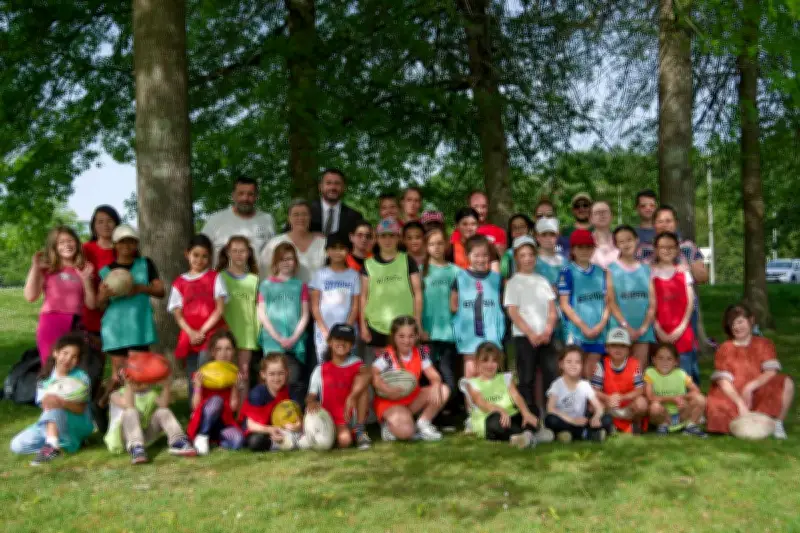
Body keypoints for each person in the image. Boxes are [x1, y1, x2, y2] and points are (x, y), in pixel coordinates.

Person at [706, 304, 795, 439]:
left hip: (758, 390)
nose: (737, 327)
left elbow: (771, 372)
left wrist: (750, 387)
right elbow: (723, 381)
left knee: (786, 382)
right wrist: (740, 403)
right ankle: (742, 423)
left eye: (740, 322)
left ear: (751, 320)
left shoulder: (764, 344)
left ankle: (777, 423)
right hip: (734, 393)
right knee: (717, 402)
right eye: (733, 324)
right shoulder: (725, 348)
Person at [11, 334, 94, 465]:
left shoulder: (81, 378)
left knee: (54, 406)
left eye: (74, 357)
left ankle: (53, 446)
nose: (68, 359)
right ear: (56, 353)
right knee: (17, 445)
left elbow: (80, 408)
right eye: (65, 353)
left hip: (76, 420)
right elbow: (45, 407)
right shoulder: (45, 379)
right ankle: (60, 442)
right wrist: (52, 399)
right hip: (50, 421)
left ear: (77, 361)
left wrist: (63, 402)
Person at [451, 235, 506, 429]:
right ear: (468, 256)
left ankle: (493, 410)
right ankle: (471, 414)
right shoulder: (460, 277)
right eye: (477, 255)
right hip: (469, 334)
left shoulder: (496, 279)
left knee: (490, 372)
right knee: (471, 373)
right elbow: (453, 304)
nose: (481, 259)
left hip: (490, 333)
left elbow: (500, 303)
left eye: (485, 256)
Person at [97, 225, 164, 382]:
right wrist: (103, 296)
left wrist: (141, 288)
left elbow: (160, 291)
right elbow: (100, 306)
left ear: (136, 244)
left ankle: (136, 405)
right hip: (115, 328)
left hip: (139, 327)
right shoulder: (106, 271)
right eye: (122, 242)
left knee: (139, 373)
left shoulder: (145, 264)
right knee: (119, 375)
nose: (126, 245)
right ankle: (109, 402)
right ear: (115, 244)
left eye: (131, 241)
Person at [24, 226, 96, 365]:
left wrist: (86, 280)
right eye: (61, 242)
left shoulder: (83, 269)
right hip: (51, 322)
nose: (67, 245)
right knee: (52, 368)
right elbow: (30, 296)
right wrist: (35, 267)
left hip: (76, 324)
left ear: (76, 243)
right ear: (54, 247)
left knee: (75, 369)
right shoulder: (48, 268)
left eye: (70, 241)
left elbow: (91, 304)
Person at [504, 236, 559, 415]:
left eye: (530, 255)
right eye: (523, 255)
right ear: (517, 259)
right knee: (526, 378)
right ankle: (529, 416)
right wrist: (530, 333)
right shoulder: (513, 282)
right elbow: (513, 312)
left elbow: (552, 309)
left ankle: (550, 414)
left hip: (545, 337)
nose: (527, 259)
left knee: (551, 376)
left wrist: (548, 330)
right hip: (524, 337)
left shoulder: (542, 281)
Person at [372, 316, 449, 441]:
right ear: (394, 337)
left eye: (411, 336)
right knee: (406, 432)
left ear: (416, 336)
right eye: (401, 336)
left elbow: (434, 375)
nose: (406, 341)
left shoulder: (420, 352)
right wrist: (388, 390)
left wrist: (436, 383)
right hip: (391, 402)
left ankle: (423, 423)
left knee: (443, 390)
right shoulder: (388, 355)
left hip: (412, 399)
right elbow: (374, 375)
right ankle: (388, 426)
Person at [168, 234, 228, 396]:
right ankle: (194, 412)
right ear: (187, 254)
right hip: (190, 336)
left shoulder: (215, 278)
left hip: (211, 335)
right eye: (195, 255)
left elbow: (219, 309)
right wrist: (191, 332)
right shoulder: (179, 282)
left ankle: (211, 409)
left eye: (204, 256)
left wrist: (202, 331)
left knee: (206, 370)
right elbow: (177, 314)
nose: (199, 260)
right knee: (193, 375)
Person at [464, 342, 549, 448]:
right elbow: (482, 403)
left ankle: (526, 435)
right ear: (477, 362)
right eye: (485, 360)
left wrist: (525, 413)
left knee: (532, 408)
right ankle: (531, 433)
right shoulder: (472, 383)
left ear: (499, 363)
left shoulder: (505, 378)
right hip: (491, 420)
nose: (490, 365)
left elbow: (516, 396)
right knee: (494, 423)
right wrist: (500, 410)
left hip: (510, 417)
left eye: (494, 361)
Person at [104, 372, 196, 464]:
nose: (140, 383)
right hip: (123, 439)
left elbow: (163, 404)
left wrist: (166, 386)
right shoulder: (115, 394)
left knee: (163, 411)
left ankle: (178, 441)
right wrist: (129, 385)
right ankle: (136, 448)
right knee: (131, 412)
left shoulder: (151, 394)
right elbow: (128, 405)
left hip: (143, 436)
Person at [257, 242, 310, 403]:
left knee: (292, 380)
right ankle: (269, 416)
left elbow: (305, 315)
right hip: (273, 341)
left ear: (295, 262)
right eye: (282, 259)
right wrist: (277, 337)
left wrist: (293, 338)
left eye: (290, 259)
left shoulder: (300, 286)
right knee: (272, 381)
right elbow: (262, 313)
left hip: (294, 341)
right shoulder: (266, 285)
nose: (287, 262)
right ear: (275, 263)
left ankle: (291, 415)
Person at [360, 218, 423, 352]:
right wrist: (363, 325)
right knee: (378, 370)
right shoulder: (368, 264)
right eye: (383, 236)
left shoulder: (407, 260)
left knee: (404, 371)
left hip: (404, 327)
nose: (387, 240)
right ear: (377, 238)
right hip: (376, 327)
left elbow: (417, 293)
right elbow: (363, 296)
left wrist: (417, 322)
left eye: (391, 235)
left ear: (398, 238)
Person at [306, 324, 372, 450]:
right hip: (330, 417)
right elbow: (311, 394)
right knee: (345, 441)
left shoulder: (356, 362)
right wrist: (311, 401)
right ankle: (334, 434)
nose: (342, 343)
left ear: (352, 345)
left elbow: (368, 374)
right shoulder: (320, 369)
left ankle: (359, 430)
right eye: (338, 339)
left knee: (362, 382)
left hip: (351, 415)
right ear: (330, 342)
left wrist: (352, 396)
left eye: (346, 340)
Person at [558, 229, 610, 378]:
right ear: (573, 249)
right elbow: (565, 304)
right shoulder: (567, 272)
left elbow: (608, 302)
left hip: (598, 331)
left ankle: (590, 401)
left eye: (588, 247)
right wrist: (584, 327)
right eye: (580, 247)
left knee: (592, 372)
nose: (584, 251)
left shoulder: (601, 272)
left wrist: (601, 324)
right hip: (577, 332)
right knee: (575, 372)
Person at [187, 331, 245, 455]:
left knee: (238, 441)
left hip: (223, 422)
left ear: (234, 351)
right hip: (204, 419)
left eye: (228, 349)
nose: (223, 353)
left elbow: (233, 408)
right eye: (219, 349)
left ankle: (213, 441)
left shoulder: (235, 375)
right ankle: (202, 435)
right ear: (213, 352)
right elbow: (195, 407)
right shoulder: (203, 374)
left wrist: (235, 388)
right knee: (216, 400)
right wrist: (197, 387)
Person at [607, 225, 656, 370]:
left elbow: (652, 303)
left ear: (636, 240)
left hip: (642, 328)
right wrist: (625, 326)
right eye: (621, 241)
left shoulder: (646, 269)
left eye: (629, 239)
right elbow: (611, 302)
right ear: (616, 245)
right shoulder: (611, 269)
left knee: (639, 371)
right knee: (619, 371)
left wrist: (644, 327)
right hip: (619, 328)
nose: (626, 244)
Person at [651, 232, 698, 384]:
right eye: (662, 247)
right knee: (661, 377)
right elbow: (650, 303)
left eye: (671, 247)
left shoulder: (684, 272)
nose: (667, 250)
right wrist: (657, 329)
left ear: (677, 249)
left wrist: (682, 326)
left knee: (684, 376)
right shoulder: (650, 273)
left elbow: (690, 302)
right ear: (656, 250)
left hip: (682, 331)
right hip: (660, 331)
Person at [217, 236, 260, 397]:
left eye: (242, 251)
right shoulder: (220, 277)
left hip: (247, 333)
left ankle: (242, 414)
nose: (238, 255)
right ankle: (225, 410)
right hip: (226, 331)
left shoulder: (255, 279)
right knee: (224, 370)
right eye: (234, 251)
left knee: (244, 373)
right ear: (228, 253)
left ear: (248, 253)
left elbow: (258, 307)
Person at [201, 177, 276, 268]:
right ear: (233, 196)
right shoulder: (216, 220)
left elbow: (274, 254)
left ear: (256, 196)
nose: (245, 198)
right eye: (241, 194)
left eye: (250, 194)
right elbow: (201, 251)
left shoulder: (267, 220)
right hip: (221, 280)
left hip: (258, 281)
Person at [421, 227, 459, 396]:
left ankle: (448, 406)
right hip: (426, 331)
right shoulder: (421, 270)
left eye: (439, 243)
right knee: (427, 371)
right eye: (431, 244)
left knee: (447, 369)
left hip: (448, 331)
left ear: (446, 245)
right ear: (426, 247)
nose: (436, 247)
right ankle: (429, 409)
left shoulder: (455, 271)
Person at [544, 345, 611, 442]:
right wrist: (572, 421)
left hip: (581, 420)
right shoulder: (557, 384)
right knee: (550, 420)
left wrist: (596, 417)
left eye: (577, 362)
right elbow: (550, 408)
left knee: (607, 419)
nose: (573, 365)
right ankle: (585, 434)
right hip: (564, 420)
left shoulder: (584, 384)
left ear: (582, 365)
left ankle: (568, 435)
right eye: (569, 362)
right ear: (561, 364)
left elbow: (599, 407)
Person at [310, 233, 361, 360]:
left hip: (347, 331)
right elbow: (315, 306)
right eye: (333, 248)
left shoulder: (354, 275)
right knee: (325, 367)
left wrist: (346, 328)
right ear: (327, 251)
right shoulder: (320, 274)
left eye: (341, 248)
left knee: (348, 366)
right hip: (324, 332)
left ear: (348, 251)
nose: (337, 252)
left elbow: (355, 306)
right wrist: (324, 330)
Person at [591, 328, 648, 434]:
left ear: (628, 350)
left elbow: (640, 390)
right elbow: (595, 390)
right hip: (610, 404)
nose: (618, 349)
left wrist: (621, 398)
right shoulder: (601, 365)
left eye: (622, 346)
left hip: (628, 404)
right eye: (614, 345)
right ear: (607, 348)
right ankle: (613, 425)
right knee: (592, 404)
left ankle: (633, 424)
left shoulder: (634, 364)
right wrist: (608, 398)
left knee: (642, 403)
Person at [644, 343, 707, 437]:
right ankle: (663, 425)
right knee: (654, 407)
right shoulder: (650, 373)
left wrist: (682, 398)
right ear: (654, 360)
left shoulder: (681, 373)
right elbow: (650, 397)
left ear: (676, 362)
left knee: (700, 398)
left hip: (681, 412)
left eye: (669, 359)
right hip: (663, 413)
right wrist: (672, 398)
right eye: (660, 358)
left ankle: (691, 425)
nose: (664, 362)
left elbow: (696, 390)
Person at [238, 353, 294, 452]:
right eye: (272, 374)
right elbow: (251, 424)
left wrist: (293, 427)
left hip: (277, 428)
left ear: (286, 373)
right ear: (263, 374)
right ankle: (275, 443)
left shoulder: (287, 391)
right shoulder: (257, 393)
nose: (276, 378)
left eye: (280, 373)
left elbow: (293, 415)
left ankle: (281, 441)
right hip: (258, 429)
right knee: (255, 441)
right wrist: (270, 430)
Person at [262, 199, 327, 284]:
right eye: (296, 215)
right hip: (285, 295)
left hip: (319, 295)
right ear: (289, 218)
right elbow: (264, 272)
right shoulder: (275, 243)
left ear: (310, 217)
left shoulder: (323, 243)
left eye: (305, 214)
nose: (301, 218)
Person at [82, 205, 120, 349]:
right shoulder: (85, 249)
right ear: (93, 226)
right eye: (100, 221)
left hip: (119, 312)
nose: (105, 225)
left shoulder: (125, 249)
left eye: (110, 221)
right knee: (93, 362)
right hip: (92, 313)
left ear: (116, 223)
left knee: (122, 363)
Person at [310, 168, 364, 237]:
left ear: (344, 187)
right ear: (320, 186)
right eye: (328, 183)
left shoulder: (355, 216)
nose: (333, 187)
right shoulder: (308, 212)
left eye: (337, 183)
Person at [533, 218, 566, 289]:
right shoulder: (532, 262)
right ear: (537, 237)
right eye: (544, 235)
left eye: (552, 234)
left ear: (557, 236)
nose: (548, 238)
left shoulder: (564, 261)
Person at [501, 214, 534, 279]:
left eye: (522, 227)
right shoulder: (508, 254)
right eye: (514, 228)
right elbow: (504, 274)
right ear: (510, 232)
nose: (518, 230)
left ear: (528, 229)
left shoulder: (536, 250)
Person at [590, 201, 619, 269]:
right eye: (597, 212)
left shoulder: (621, 240)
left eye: (605, 211)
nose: (601, 215)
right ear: (591, 219)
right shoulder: (585, 241)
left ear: (612, 216)